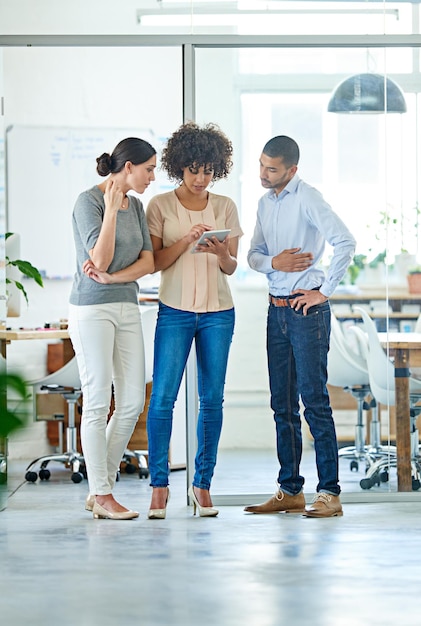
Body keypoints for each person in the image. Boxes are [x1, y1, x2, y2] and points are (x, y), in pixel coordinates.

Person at [245, 135, 356, 518]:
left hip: (306, 312)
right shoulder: (264, 203)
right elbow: (253, 257)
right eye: (261, 165)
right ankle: (290, 490)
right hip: (276, 311)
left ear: (291, 170)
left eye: (271, 168)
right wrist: (275, 262)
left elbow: (346, 242)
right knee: (282, 404)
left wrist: (324, 291)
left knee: (314, 401)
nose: (263, 173)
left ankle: (329, 493)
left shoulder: (308, 197)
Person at [146, 121, 243, 519]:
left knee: (212, 399)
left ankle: (202, 485)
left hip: (219, 313)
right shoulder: (160, 206)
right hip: (175, 311)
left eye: (209, 171)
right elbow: (154, 264)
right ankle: (159, 487)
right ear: (179, 167)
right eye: (194, 170)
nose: (202, 178)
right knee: (163, 398)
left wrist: (220, 251)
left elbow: (232, 268)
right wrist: (186, 241)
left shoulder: (225, 207)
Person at [68, 137, 156, 520]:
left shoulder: (136, 206)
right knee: (98, 399)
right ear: (129, 167)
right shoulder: (87, 202)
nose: (153, 177)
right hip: (91, 309)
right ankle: (102, 493)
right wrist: (109, 209)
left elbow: (148, 262)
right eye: (149, 169)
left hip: (126, 305)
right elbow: (98, 257)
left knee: (133, 400)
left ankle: (98, 486)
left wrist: (114, 277)